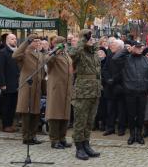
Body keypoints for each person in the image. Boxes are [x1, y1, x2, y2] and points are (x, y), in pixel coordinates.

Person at [69, 30, 102, 160]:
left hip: (95, 91)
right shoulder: (79, 52)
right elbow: (72, 53)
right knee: (80, 121)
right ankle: (79, 148)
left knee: (89, 121)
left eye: (91, 37)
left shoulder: (94, 53)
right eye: (88, 37)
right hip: (83, 92)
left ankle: (86, 144)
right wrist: (82, 40)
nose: (91, 39)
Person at [13, 34, 45, 145]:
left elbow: (42, 72)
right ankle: (26, 137)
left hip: (37, 87)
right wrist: (26, 42)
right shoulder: (25, 53)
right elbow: (15, 55)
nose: (37, 43)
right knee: (26, 112)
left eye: (39, 41)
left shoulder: (40, 54)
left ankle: (33, 135)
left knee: (36, 112)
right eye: (35, 41)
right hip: (27, 86)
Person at [123, 43, 148, 145]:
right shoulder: (126, 58)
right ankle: (132, 135)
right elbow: (115, 58)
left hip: (142, 91)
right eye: (137, 47)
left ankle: (139, 134)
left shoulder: (146, 60)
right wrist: (128, 50)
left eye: (141, 47)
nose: (139, 49)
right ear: (133, 48)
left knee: (141, 115)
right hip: (130, 91)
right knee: (131, 115)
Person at [45, 37, 74, 149]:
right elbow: (46, 60)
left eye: (64, 43)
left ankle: (62, 138)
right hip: (56, 89)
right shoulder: (53, 55)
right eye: (61, 43)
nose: (63, 45)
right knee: (55, 114)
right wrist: (54, 52)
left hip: (66, 88)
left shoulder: (66, 55)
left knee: (65, 114)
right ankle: (54, 140)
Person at [0, 33, 20, 133]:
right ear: (7, 40)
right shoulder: (3, 52)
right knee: (6, 106)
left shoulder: (17, 51)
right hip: (7, 84)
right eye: (12, 39)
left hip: (16, 83)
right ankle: (6, 125)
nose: (15, 40)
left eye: (15, 39)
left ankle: (10, 124)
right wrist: (2, 84)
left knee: (13, 105)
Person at [102, 39, 127, 137]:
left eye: (114, 45)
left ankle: (121, 128)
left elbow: (123, 71)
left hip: (120, 87)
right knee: (110, 109)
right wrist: (108, 79)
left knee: (121, 110)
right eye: (111, 45)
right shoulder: (109, 56)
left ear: (120, 47)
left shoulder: (123, 57)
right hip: (110, 87)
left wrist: (114, 79)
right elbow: (105, 69)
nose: (111, 46)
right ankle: (110, 128)